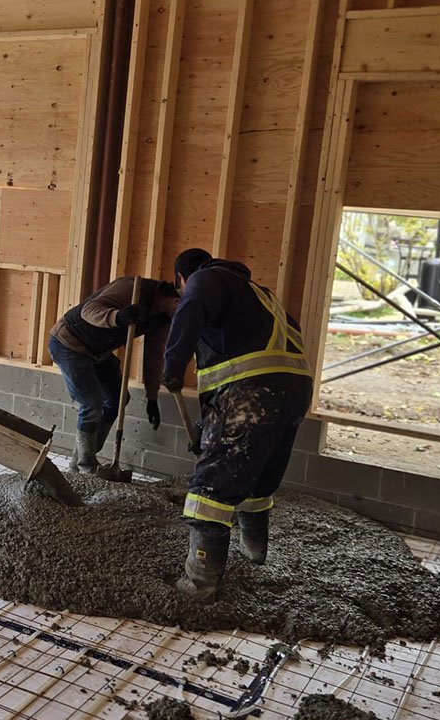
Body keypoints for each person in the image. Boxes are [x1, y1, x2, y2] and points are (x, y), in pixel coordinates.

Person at [162, 248, 312, 601]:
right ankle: (253, 552)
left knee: (212, 486)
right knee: (259, 478)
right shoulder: (262, 296)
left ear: (182, 278)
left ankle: (200, 582)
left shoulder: (204, 279)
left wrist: (172, 365)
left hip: (252, 392)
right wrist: (208, 429)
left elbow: (191, 307)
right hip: (293, 392)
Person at [49, 276, 179, 473]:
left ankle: (80, 461)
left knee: (119, 399)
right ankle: (87, 466)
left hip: (98, 352)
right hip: (69, 342)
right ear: (175, 300)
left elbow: (154, 355)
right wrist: (117, 317)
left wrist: (152, 397)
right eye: (181, 311)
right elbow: (88, 310)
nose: (179, 319)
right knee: (91, 404)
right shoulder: (131, 288)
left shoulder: (162, 318)